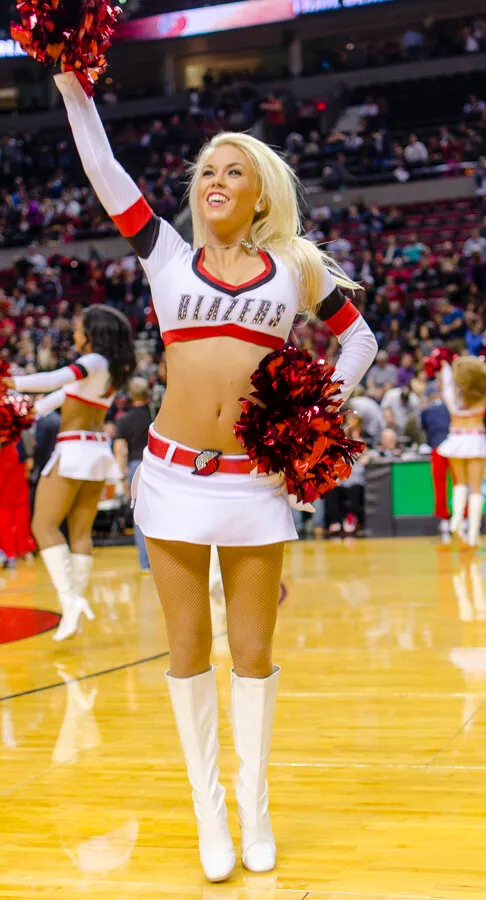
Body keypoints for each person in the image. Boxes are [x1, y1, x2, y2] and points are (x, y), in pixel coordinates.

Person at [53, 68, 377, 882]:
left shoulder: (297, 267)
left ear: (261, 193)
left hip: (256, 485)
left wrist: (319, 409)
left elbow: (361, 339)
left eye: (234, 170)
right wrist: (70, 82)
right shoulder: (166, 253)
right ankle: (210, 815)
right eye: (206, 171)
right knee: (188, 647)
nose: (216, 180)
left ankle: (254, 803)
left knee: (255, 652)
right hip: (171, 478)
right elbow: (103, 170)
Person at [1, 305, 136, 640]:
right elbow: (52, 399)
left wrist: (9, 380)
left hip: (74, 451)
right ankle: (74, 605)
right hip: (96, 453)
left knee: (43, 525)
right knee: (79, 532)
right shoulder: (109, 370)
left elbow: (56, 378)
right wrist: (17, 409)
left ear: (93, 333)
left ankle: (70, 601)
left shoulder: (93, 361)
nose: (74, 333)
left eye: (78, 327)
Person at [437, 358, 486, 547]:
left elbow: (447, 380)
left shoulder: (452, 396)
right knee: (475, 488)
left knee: (460, 484)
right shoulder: (482, 397)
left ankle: (456, 520)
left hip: (455, 438)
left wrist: (446, 367)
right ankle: (473, 533)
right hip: (475, 439)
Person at [114, 377, 152, 572]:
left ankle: (145, 563)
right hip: (157, 465)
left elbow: (120, 449)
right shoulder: (156, 415)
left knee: (139, 517)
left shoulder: (124, 420)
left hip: (136, 467)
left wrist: (122, 477)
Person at [420, 391, 452, 535]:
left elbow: (424, 429)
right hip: (454, 447)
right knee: (461, 484)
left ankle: (444, 520)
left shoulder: (426, 410)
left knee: (440, 484)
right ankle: (463, 518)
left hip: (438, 448)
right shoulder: (451, 407)